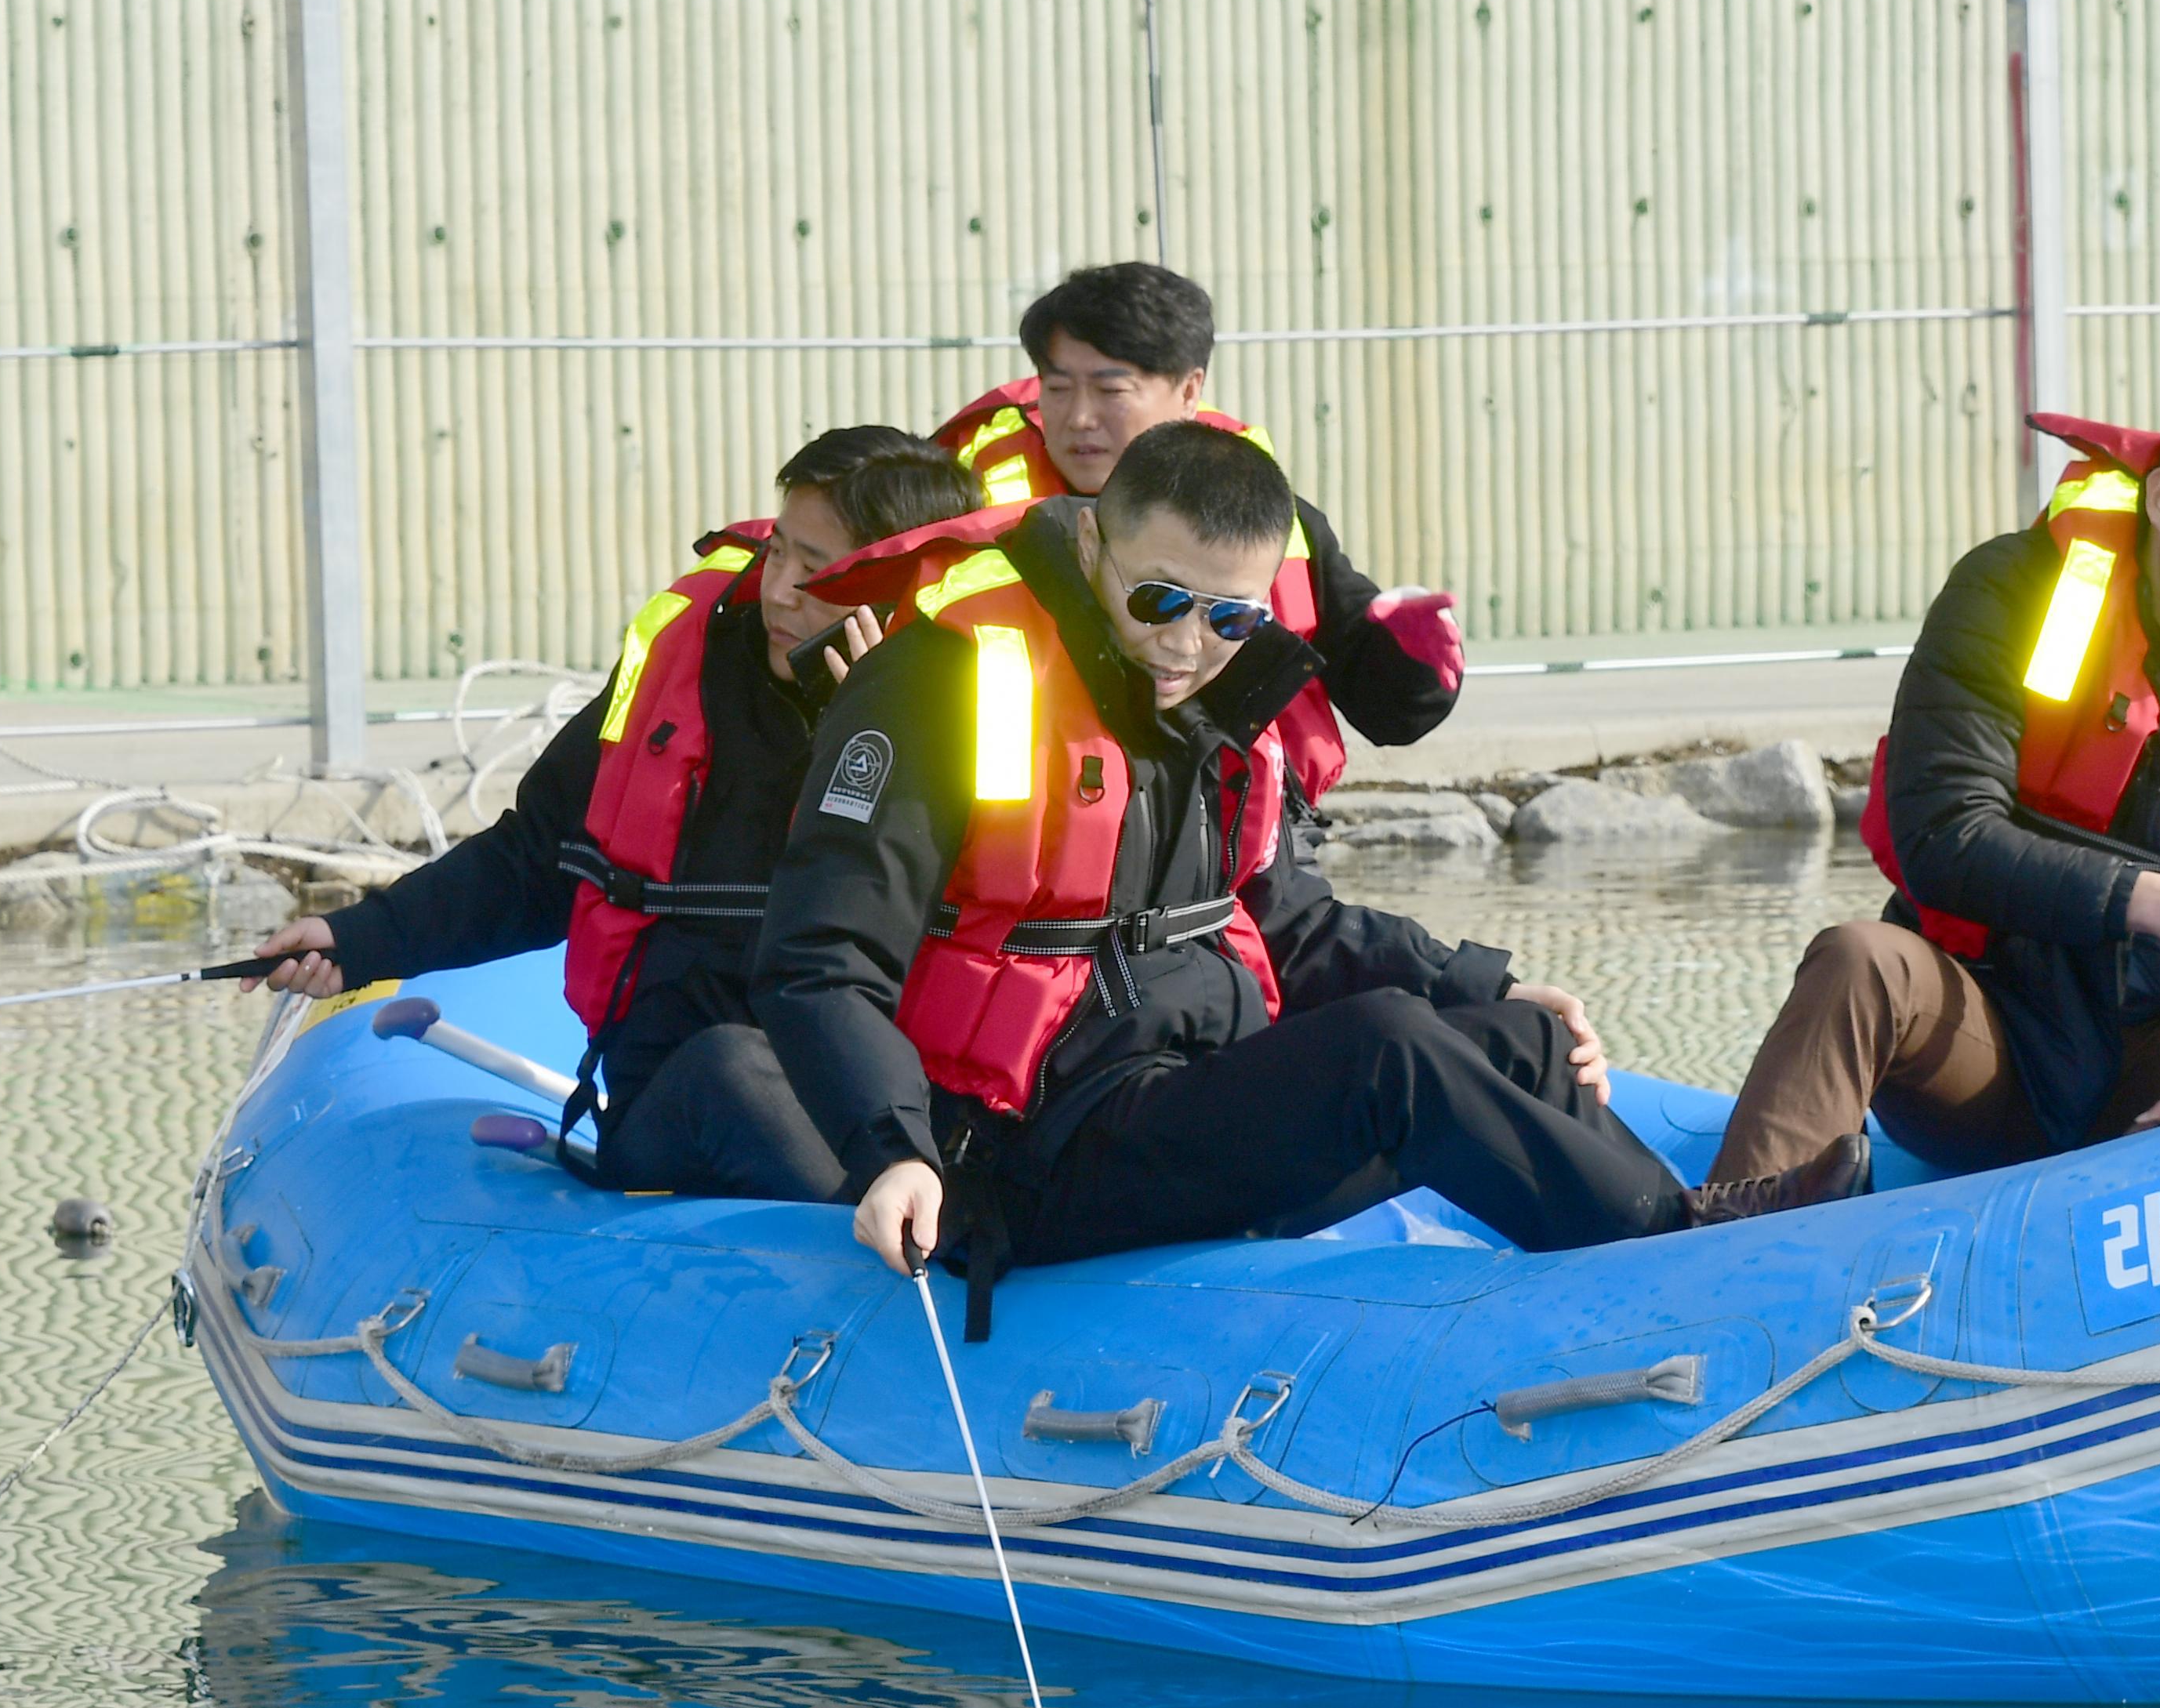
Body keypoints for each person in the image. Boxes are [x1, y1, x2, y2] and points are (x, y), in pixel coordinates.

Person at [753, 421, 1864, 1337]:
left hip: (1185, 1085)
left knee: (1515, 1040)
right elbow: (820, 959)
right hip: (1023, 1153)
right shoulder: (943, 682)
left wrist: (1480, 981)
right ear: (1091, 542)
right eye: (1161, 602)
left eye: (1231, 617)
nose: (1190, 645)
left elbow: (1279, 915)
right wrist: (891, 1149)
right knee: (1385, 1050)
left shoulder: (1217, 698)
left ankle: (1674, 1245)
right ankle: (1688, 1272)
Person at [1710, 380, 2160, 1185]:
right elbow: (1941, 832)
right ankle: (1731, 1246)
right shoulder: (2008, 591)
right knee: (1861, 959)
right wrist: (2154, 899)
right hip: (1991, 1057)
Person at [243, 426, 987, 1197]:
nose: (778, 589)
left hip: (884, 1093)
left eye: (818, 568)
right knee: (733, 1070)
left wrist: (872, 727)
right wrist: (359, 938)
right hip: (690, 1086)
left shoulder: (971, 710)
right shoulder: (696, 662)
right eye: (779, 553)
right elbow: (538, 854)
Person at [934, 261, 1466, 800]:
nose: (1079, 418)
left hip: (1248, 837)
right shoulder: (965, 513)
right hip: (1052, 829)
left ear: (1190, 391)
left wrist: (1415, 653)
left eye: (1111, 391)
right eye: (1058, 388)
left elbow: (1389, 709)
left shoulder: (1262, 517)